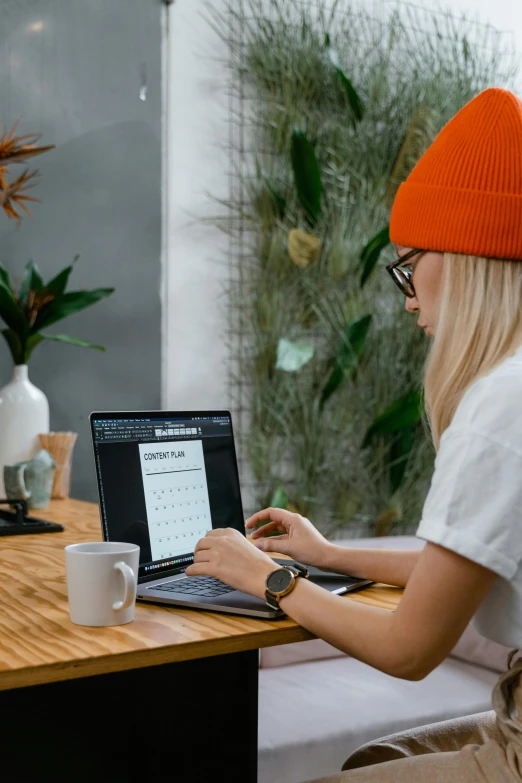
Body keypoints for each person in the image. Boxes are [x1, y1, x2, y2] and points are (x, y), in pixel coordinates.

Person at [185, 87, 522, 781]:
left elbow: (409, 649)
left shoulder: (500, 407)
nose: (406, 297)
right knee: (373, 759)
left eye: (411, 262)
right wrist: (331, 553)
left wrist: (266, 575)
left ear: (463, 256)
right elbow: (462, 566)